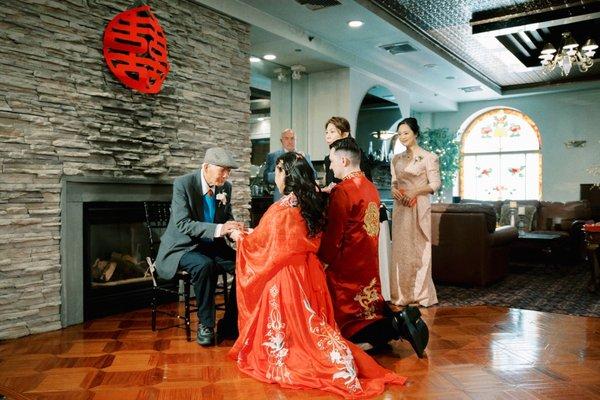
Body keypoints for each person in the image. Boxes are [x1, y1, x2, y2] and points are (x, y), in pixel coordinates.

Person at [228, 152, 406, 398]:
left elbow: (267, 244)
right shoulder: (311, 201)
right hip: (311, 273)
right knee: (315, 327)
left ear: (286, 174)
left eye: (278, 171)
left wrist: (240, 237)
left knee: (295, 336)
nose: (275, 177)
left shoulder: (282, 207)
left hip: (288, 276)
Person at [319, 137, 429, 357]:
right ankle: (393, 326)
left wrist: (322, 261)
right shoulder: (370, 187)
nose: (330, 167)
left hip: (347, 264)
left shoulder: (343, 191)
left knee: (350, 321)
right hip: (367, 259)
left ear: (343, 161)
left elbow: (334, 235)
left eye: (331, 161)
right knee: (368, 309)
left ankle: (393, 327)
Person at [155, 147, 244, 346]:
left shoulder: (225, 187)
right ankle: (206, 324)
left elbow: (225, 216)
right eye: (223, 170)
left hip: (212, 244)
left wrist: (232, 230)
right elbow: (183, 224)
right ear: (206, 167)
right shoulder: (183, 184)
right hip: (184, 246)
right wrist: (220, 229)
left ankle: (230, 323)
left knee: (244, 264)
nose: (226, 175)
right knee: (204, 266)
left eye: (228, 171)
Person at [390, 117, 441, 307]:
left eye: (406, 133)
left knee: (420, 248)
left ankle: (420, 295)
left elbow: (435, 184)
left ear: (415, 134)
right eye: (400, 134)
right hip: (401, 207)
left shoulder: (429, 157)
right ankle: (402, 295)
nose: (402, 137)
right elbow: (394, 182)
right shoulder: (396, 159)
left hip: (419, 205)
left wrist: (415, 191)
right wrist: (394, 190)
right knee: (402, 251)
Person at [264, 128, 315, 200]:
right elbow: (266, 177)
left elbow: (313, 175)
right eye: (286, 138)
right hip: (280, 198)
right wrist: (284, 173)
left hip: (301, 198)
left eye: (292, 138)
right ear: (281, 141)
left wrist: (303, 166)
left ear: (296, 140)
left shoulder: (304, 156)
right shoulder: (273, 156)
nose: (290, 141)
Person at [322, 116, 372, 191]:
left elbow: (366, 184)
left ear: (345, 134)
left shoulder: (356, 154)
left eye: (332, 132)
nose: (328, 136)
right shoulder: (328, 159)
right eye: (326, 132)